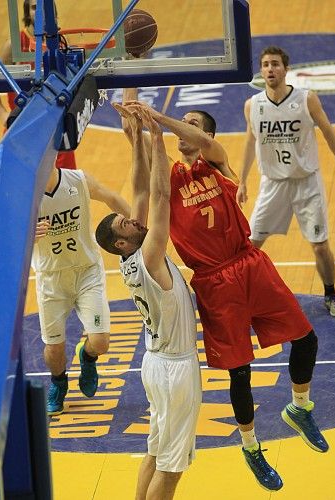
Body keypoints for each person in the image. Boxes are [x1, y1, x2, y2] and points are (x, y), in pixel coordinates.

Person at [123, 95, 329, 491]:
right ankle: (251, 447)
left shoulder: (217, 161)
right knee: (240, 371)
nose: (185, 128)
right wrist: (139, 131)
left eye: (193, 123)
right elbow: (143, 186)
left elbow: (203, 142)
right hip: (214, 282)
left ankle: (300, 408)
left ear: (207, 134)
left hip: (250, 264)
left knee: (306, 338)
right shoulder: (170, 180)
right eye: (183, 123)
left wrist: (162, 119)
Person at [95, 102, 202, 500]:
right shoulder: (150, 254)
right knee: (172, 469)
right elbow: (158, 194)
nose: (135, 220)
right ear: (122, 242)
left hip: (155, 365)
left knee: (155, 453)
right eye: (128, 224)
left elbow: (139, 190)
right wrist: (157, 134)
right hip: (174, 370)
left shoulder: (131, 255)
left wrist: (136, 141)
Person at [238, 45, 335, 317]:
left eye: (275, 64)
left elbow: (328, 131)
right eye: (265, 64)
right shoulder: (252, 105)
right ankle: (244, 297)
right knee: (251, 243)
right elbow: (249, 140)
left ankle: (330, 293)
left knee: (320, 244)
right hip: (273, 184)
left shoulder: (306, 99)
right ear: (261, 70)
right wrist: (242, 181)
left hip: (306, 182)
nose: (270, 69)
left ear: (286, 69)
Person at [33, 163, 130, 415]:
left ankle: (87, 356)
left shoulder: (78, 180)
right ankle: (58, 383)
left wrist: (141, 233)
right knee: (54, 347)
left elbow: (112, 197)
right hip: (51, 279)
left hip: (87, 271)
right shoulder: (25, 194)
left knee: (101, 342)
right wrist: (26, 233)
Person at [0, 0, 77, 169]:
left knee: (65, 189)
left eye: (43, 6)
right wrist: (2, 113)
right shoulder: (14, 45)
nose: (40, 11)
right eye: (34, 7)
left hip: (56, 128)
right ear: (27, 13)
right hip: (21, 128)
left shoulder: (62, 42)